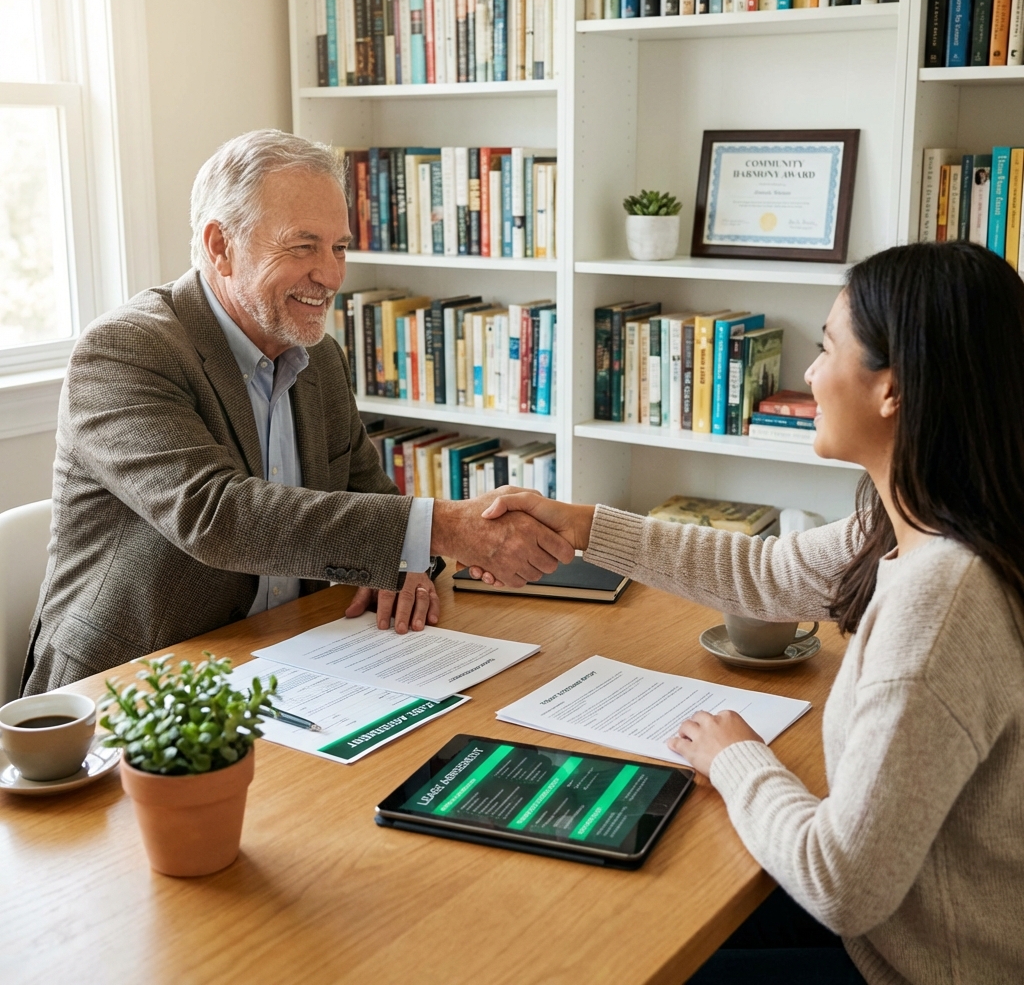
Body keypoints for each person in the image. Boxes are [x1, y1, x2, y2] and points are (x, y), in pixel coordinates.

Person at [476, 242, 1024, 984]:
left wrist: (736, 758)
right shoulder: (931, 522)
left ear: (891, 389)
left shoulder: (943, 598)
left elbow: (842, 884)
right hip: (895, 930)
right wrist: (580, 524)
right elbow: (760, 571)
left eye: (827, 347)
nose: (808, 374)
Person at [22, 129, 572, 695]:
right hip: (134, 681)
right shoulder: (126, 349)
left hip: (291, 657)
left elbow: (374, 501)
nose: (332, 276)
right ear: (220, 246)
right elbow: (215, 515)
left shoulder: (320, 358)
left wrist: (408, 565)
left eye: (338, 247)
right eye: (303, 246)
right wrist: (445, 529)